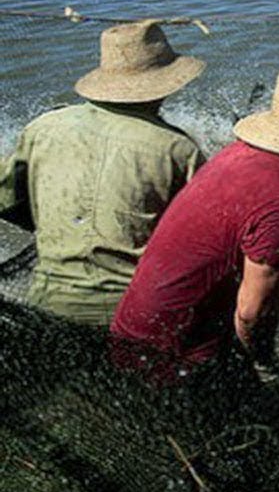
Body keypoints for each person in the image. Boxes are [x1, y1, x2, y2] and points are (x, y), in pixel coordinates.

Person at [110, 58, 279, 383]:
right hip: (174, 356)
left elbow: (239, 275)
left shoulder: (235, 154)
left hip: (128, 332)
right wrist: (265, 363)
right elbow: (251, 312)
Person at [0, 20, 205, 325]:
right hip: (133, 314)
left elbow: (7, 202)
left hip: (46, 303)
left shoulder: (43, 128)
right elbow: (202, 242)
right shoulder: (177, 148)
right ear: (167, 82)